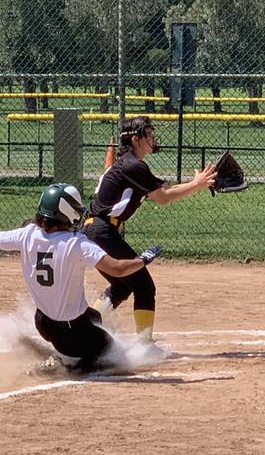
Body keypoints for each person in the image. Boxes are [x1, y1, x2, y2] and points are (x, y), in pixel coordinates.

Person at [0, 183, 162, 373]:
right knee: (115, 360)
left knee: (94, 317)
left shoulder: (27, 234)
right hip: (73, 332)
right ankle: (68, 365)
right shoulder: (76, 243)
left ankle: (66, 355)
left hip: (43, 323)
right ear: (67, 213)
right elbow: (118, 269)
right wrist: (143, 259)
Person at [82, 115, 217, 341]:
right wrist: (197, 184)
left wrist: (197, 183)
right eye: (148, 134)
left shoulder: (128, 165)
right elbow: (162, 198)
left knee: (122, 285)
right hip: (101, 231)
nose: (152, 138)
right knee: (144, 286)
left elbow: (162, 187)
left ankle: (86, 328)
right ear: (136, 139)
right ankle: (144, 345)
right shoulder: (133, 166)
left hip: (95, 230)